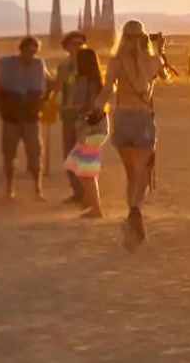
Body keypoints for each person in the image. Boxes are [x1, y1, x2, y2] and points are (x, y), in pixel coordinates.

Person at [89, 20, 174, 252]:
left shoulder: (115, 63)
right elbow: (166, 75)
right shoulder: (153, 61)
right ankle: (134, 213)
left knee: (131, 175)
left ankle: (136, 226)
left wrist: (95, 111)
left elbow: (107, 90)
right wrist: (160, 49)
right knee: (143, 174)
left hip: (122, 119)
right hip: (142, 119)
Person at [0, 36, 52, 201]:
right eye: (29, 51)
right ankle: (9, 189)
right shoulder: (6, 64)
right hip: (11, 115)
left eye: (35, 51)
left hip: (31, 116)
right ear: (22, 49)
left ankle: (38, 189)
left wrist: (45, 101)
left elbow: (50, 82)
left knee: (35, 154)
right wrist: (1, 108)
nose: (32, 55)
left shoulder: (38, 65)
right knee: (9, 154)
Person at [64, 47, 110, 218]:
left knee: (85, 170)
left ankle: (95, 207)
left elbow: (82, 104)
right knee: (79, 166)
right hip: (98, 126)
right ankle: (90, 202)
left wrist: (68, 108)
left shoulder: (85, 80)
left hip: (90, 128)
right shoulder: (97, 80)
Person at [56, 31, 89, 205]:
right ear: (67, 47)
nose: (77, 47)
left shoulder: (89, 65)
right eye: (74, 44)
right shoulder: (64, 66)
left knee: (85, 155)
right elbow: (59, 87)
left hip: (84, 116)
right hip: (68, 114)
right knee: (69, 155)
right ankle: (77, 191)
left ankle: (88, 193)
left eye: (80, 44)